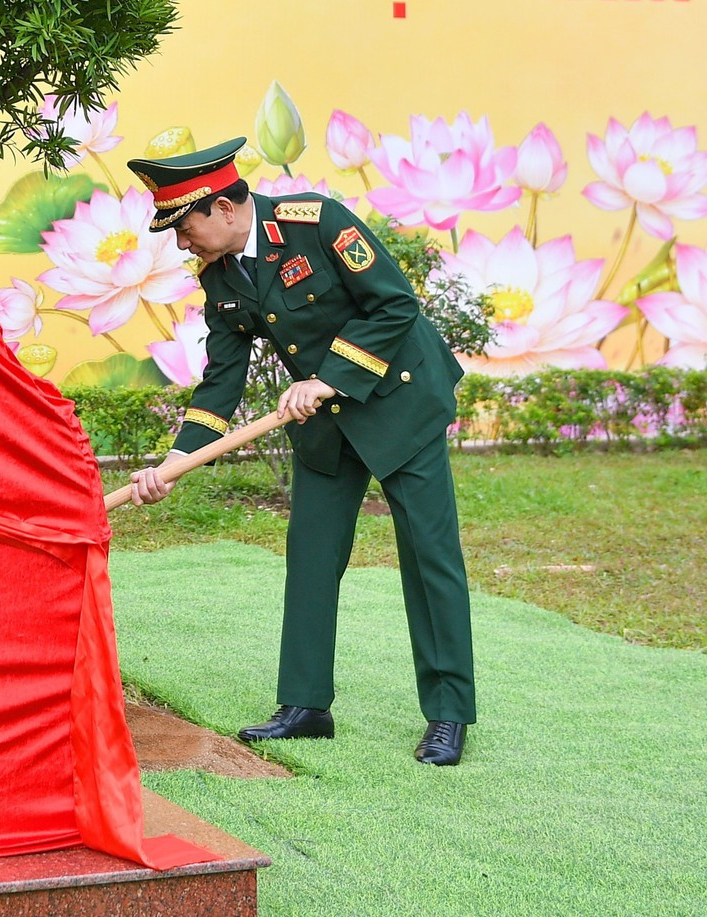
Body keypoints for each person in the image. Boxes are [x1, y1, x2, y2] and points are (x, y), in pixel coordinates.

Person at [125, 138, 475, 766]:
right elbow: (222, 379)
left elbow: (395, 304)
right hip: (326, 425)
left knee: (430, 557)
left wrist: (330, 376)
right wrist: (176, 463)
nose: (181, 243)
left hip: (401, 403)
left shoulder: (316, 223)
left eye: (184, 227)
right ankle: (306, 705)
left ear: (224, 209)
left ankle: (448, 714)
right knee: (311, 555)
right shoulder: (221, 276)